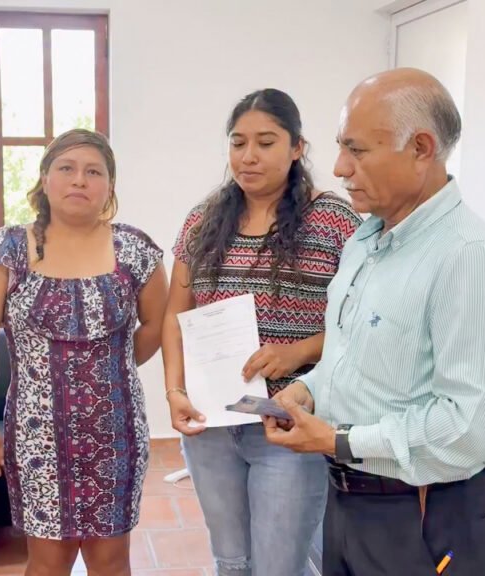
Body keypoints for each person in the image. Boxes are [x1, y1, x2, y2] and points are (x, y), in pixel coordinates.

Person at [262, 68, 485, 576]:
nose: (340, 167)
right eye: (341, 147)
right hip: (349, 500)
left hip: (420, 515)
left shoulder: (469, 257)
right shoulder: (366, 240)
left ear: (421, 148)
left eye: (358, 150)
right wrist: (307, 391)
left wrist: (340, 440)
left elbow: (474, 426)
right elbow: (352, 356)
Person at [161, 89, 361, 576]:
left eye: (266, 142)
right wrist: (174, 391)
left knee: (278, 567)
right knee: (231, 562)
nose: (248, 156)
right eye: (238, 142)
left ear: (297, 148)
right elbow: (174, 315)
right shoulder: (203, 221)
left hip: (289, 425)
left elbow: (362, 324)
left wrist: (299, 352)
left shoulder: (334, 221)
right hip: (211, 425)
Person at [0, 129, 168, 576]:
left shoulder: (135, 251)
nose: (79, 180)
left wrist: (113, 369)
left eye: (94, 172)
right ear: (45, 178)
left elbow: (156, 325)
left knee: (111, 561)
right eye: (67, 168)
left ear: (109, 186)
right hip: (38, 436)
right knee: (48, 562)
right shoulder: (6, 250)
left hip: (116, 433)